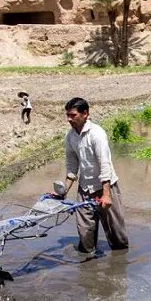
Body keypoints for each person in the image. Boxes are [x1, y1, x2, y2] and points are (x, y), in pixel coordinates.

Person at [61, 97, 128, 255]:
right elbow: (72, 166)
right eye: (68, 115)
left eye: (73, 115)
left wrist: (106, 195)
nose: (69, 119)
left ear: (85, 114)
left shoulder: (97, 134)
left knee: (117, 236)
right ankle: (87, 264)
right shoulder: (70, 137)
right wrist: (62, 191)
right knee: (85, 235)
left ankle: (119, 265)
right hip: (85, 188)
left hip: (106, 187)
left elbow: (105, 164)